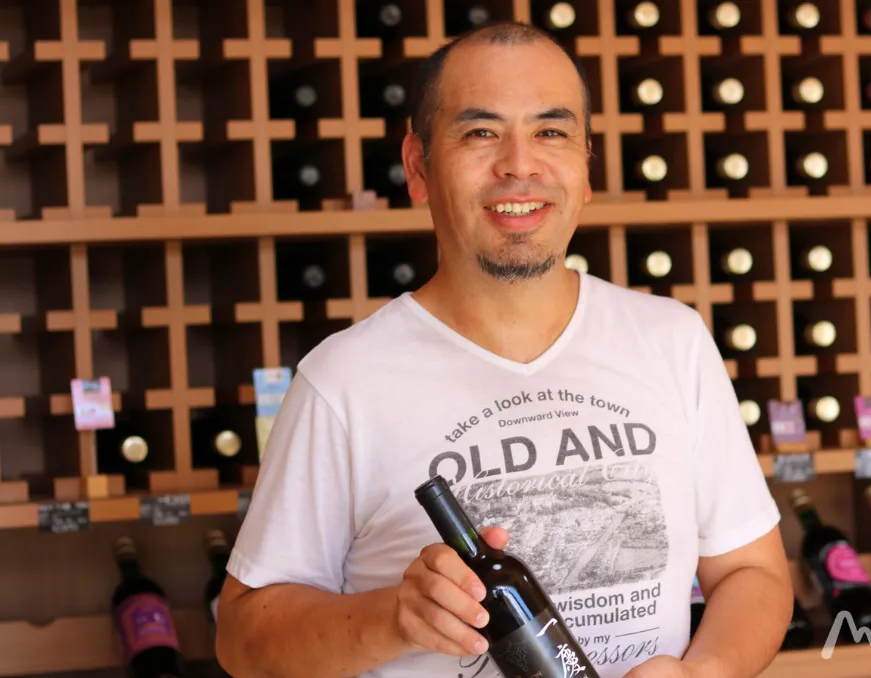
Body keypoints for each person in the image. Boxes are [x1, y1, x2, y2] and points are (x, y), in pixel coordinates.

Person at [214, 20, 793, 678]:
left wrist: (702, 673)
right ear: (417, 168)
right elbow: (242, 638)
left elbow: (752, 573)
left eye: (550, 131)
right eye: (480, 132)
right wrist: (393, 617)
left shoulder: (671, 340)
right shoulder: (342, 380)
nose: (519, 163)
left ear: (585, 165)